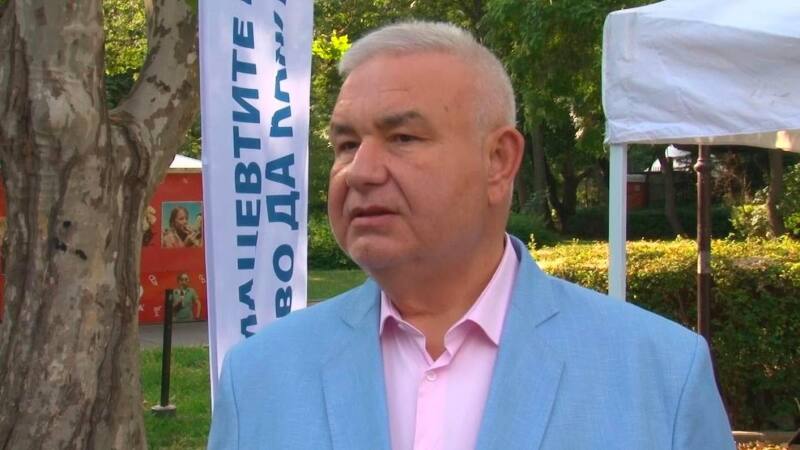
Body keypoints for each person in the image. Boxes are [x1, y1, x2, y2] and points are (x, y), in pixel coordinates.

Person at [208, 21, 734, 449]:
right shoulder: (259, 377)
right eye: (347, 144)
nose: (360, 172)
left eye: (402, 137)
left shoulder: (660, 374)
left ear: (498, 160)